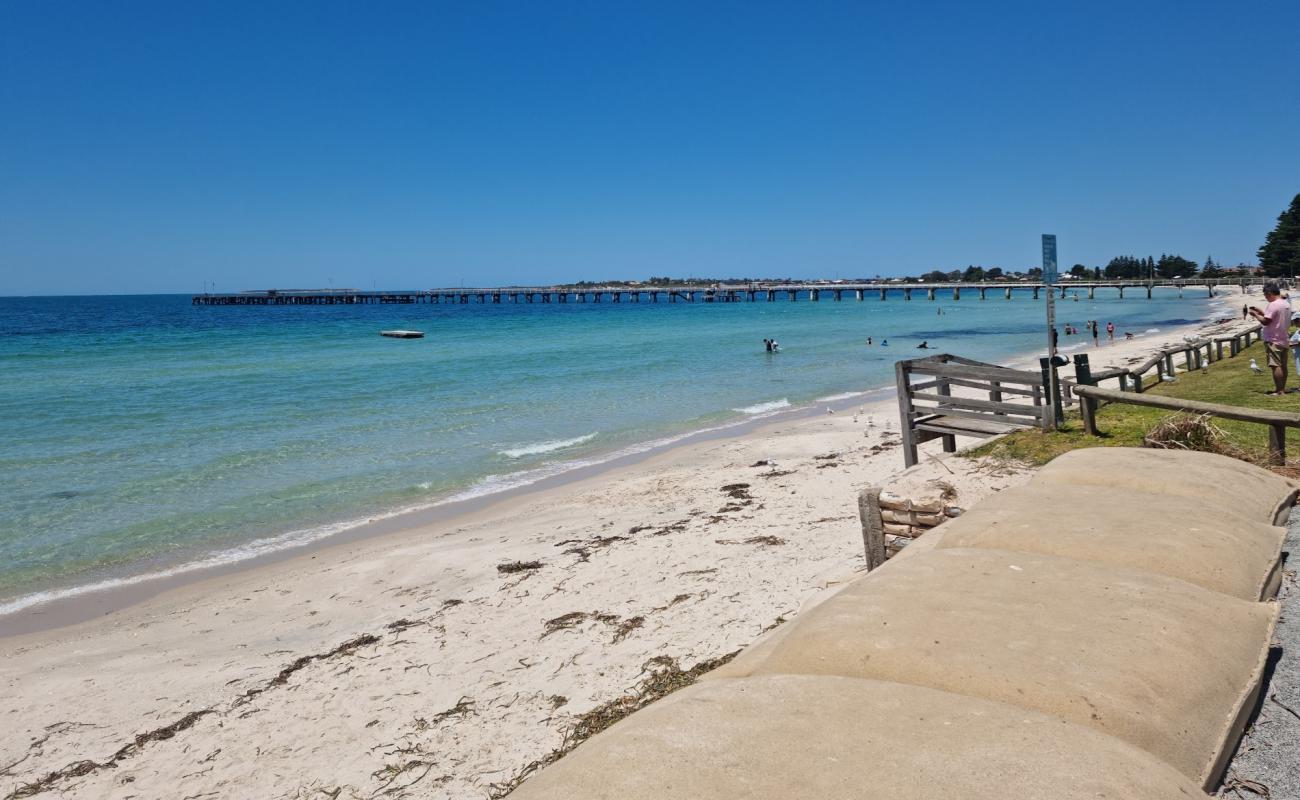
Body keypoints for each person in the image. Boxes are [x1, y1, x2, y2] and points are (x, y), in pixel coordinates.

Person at [1248, 282, 1292, 396]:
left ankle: (1279, 390)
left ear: (1269, 293)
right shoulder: (1285, 303)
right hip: (1284, 338)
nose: (1265, 297)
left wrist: (1255, 315)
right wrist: (1261, 312)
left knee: (1275, 365)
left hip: (1274, 339)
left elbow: (1266, 321)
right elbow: (1273, 317)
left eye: (1265, 295)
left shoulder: (1273, 304)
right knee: (1283, 366)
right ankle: (1282, 388)